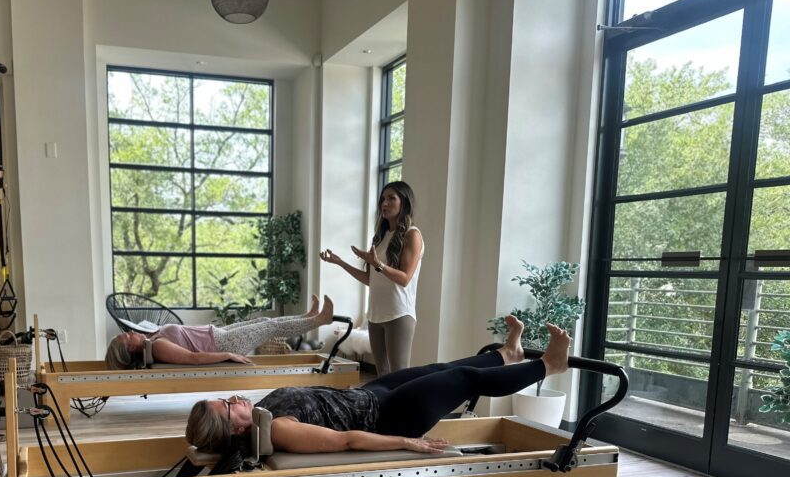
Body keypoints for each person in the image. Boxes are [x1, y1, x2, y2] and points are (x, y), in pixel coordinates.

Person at [186, 316, 570, 455]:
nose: (234, 398)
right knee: (462, 380)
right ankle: (548, 366)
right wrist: (407, 442)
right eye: (227, 404)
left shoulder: (262, 414)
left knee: (441, 367)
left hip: (372, 396)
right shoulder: (281, 430)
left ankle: (507, 354)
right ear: (235, 428)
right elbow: (347, 440)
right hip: (390, 417)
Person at [320, 180, 424, 376]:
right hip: (375, 315)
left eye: (391, 198)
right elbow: (371, 280)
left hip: (399, 315)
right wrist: (340, 262)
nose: (384, 203)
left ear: (404, 202)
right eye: (383, 199)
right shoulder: (381, 237)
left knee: (399, 376)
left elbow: (404, 279)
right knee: (382, 376)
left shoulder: (413, 235)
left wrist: (378, 264)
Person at [105, 295, 336, 370]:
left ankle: (309, 317)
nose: (130, 332)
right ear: (132, 347)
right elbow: (193, 358)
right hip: (223, 344)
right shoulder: (157, 346)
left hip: (218, 334)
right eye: (127, 336)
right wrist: (228, 355)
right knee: (270, 328)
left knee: (265, 320)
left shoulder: (152, 338)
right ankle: (318, 320)